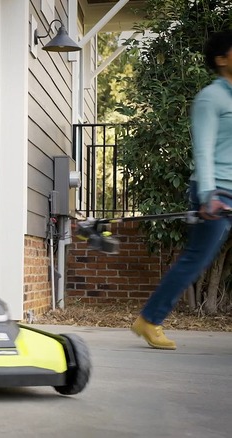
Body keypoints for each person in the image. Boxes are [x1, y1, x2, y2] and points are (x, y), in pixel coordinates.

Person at [131, 30, 232, 350]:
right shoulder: (210, 98)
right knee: (196, 259)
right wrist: (208, 195)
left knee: (196, 258)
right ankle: (149, 320)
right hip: (215, 191)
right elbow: (202, 149)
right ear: (221, 59)